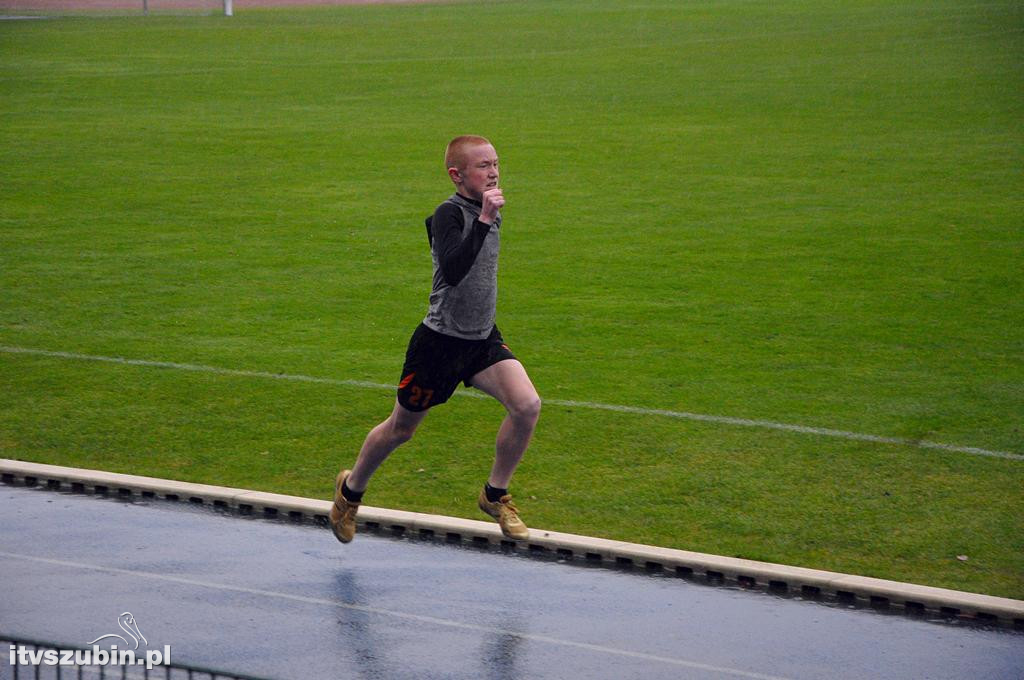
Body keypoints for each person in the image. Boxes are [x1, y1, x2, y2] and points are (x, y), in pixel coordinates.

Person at [329, 135, 541, 544]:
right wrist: (482, 220)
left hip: (480, 339)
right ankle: (350, 490)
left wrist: (486, 216)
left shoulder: (489, 209)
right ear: (456, 175)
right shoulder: (449, 214)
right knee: (400, 430)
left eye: (496, 163)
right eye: (483, 166)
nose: (494, 171)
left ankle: (494, 494)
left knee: (527, 405)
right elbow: (454, 269)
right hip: (439, 344)